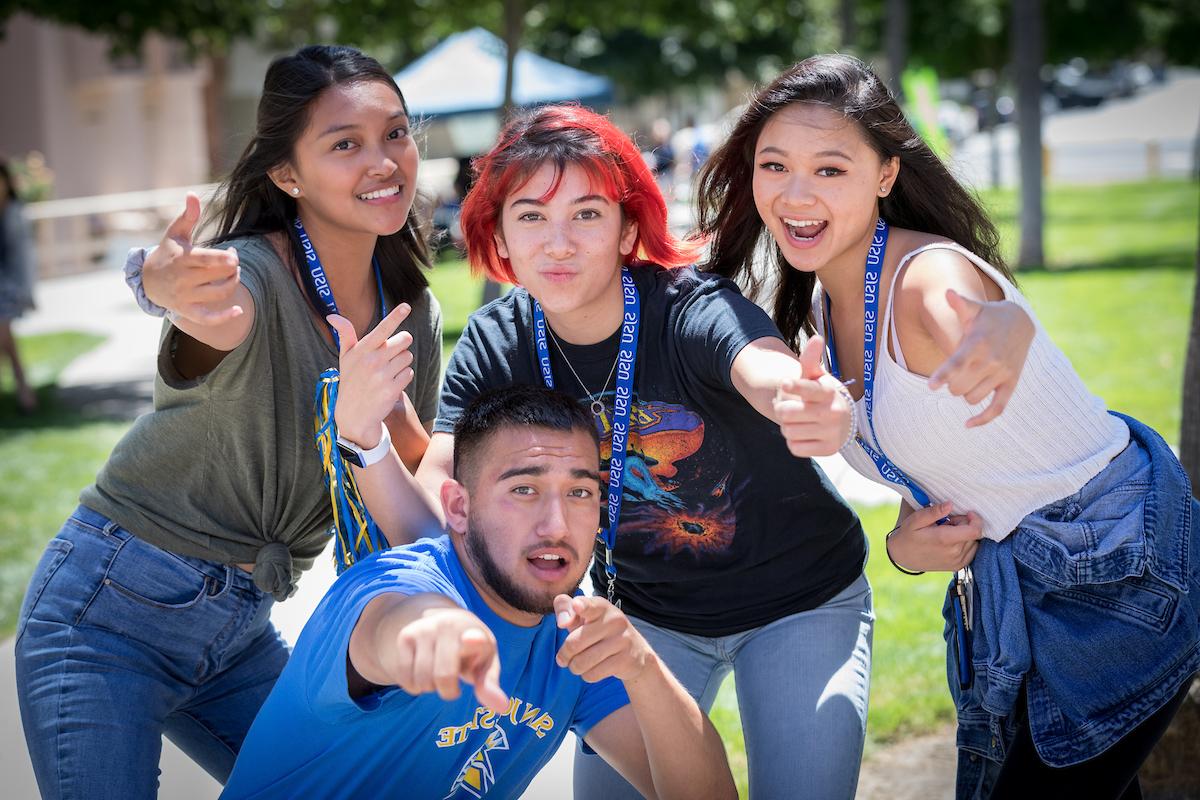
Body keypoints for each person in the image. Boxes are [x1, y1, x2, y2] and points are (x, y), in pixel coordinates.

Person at [340, 104, 1031, 799]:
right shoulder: (496, 343)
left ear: (627, 228)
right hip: (643, 615)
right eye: (530, 217)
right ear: (501, 237)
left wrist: (801, 397)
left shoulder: (687, 304)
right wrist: (364, 439)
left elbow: (757, 363)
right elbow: (438, 516)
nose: (558, 244)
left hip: (799, 602)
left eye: (585, 215)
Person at [696, 53, 1200, 799]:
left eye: (831, 170)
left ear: (886, 176)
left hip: (1122, 571)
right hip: (1020, 592)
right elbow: (934, 464)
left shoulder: (923, 276)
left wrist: (1002, 326)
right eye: (775, 165)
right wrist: (903, 546)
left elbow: (966, 305)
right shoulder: (822, 305)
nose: (796, 194)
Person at [15, 45, 442, 799]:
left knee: (357, 789)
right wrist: (160, 283)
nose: (383, 162)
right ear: (286, 174)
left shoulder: (415, 310)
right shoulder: (248, 278)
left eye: (397, 134)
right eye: (345, 144)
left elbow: (410, 489)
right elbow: (203, 303)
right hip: (107, 615)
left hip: (237, 633)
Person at [220, 385, 737, 800]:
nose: (556, 524)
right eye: (524, 490)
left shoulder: (571, 640)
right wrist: (439, 634)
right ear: (459, 509)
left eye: (579, 493)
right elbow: (397, 622)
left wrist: (642, 669)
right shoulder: (397, 583)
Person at [0, 158, 38, 414]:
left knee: (4, 336)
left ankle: (23, 390)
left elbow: (24, 257)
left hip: (9, 286)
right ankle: (23, 390)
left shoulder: (14, 213)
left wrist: (25, 293)